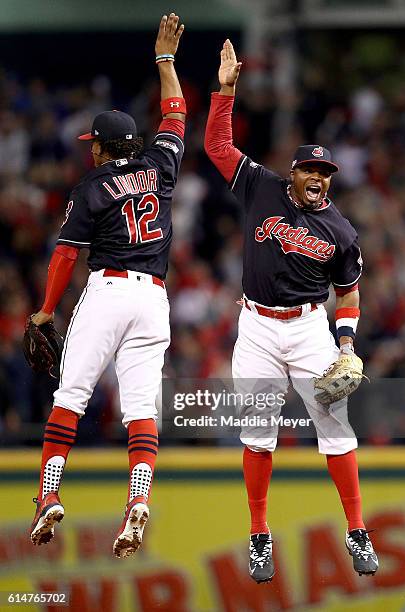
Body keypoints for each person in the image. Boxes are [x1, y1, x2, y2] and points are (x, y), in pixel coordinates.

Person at [204, 39, 378, 583]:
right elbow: (216, 145)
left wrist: (346, 345)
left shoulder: (341, 231)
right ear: (295, 171)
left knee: (336, 428)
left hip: (308, 329)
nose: (319, 178)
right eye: (310, 170)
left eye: (326, 172)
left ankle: (357, 530)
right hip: (256, 325)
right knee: (257, 435)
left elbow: (348, 293)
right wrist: (225, 91)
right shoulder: (262, 187)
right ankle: (260, 535)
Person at [29, 13, 186, 559]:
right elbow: (175, 113)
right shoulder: (161, 166)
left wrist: (46, 311)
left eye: (93, 143)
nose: (90, 150)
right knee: (142, 408)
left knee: (69, 396)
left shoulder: (93, 185)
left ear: (100, 147)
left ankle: (49, 494)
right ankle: (137, 499)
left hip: (110, 291)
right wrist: (165, 61)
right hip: (154, 300)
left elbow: (66, 254)